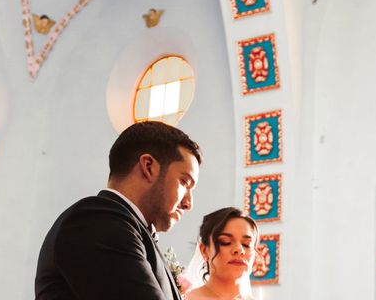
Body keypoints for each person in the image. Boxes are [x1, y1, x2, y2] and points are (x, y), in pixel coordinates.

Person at [35, 121, 202, 300]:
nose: (189, 203)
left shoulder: (128, 227)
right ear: (148, 167)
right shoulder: (96, 223)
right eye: (184, 182)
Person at [185, 207, 258, 300]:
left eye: (246, 244)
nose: (239, 250)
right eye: (225, 241)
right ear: (204, 251)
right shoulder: (186, 298)